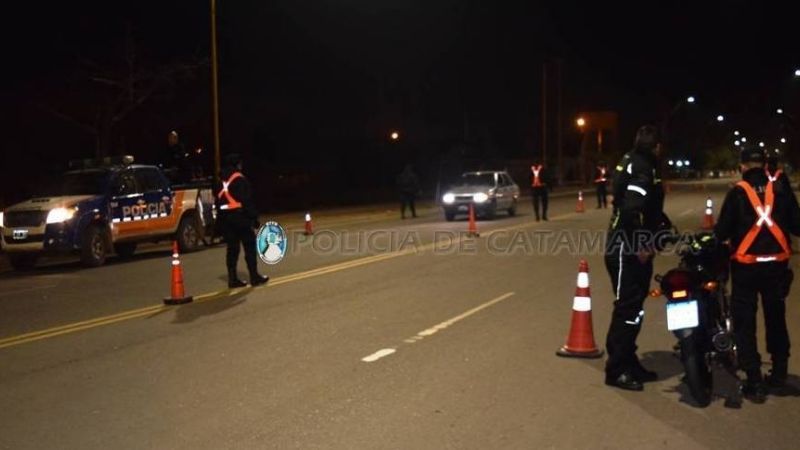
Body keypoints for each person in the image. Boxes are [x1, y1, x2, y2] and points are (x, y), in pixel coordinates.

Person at [714, 146, 800, 403]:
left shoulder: (738, 192)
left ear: (742, 166)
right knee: (776, 318)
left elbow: (721, 232)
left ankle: (754, 380)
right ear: (764, 165)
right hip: (776, 267)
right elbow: (797, 225)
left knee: (745, 322)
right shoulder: (780, 189)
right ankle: (779, 373)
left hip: (746, 269)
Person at [604, 125, 669, 391]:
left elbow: (645, 208)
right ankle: (617, 370)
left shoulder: (633, 160)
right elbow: (632, 208)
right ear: (656, 147)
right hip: (626, 248)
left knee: (634, 309)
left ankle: (629, 362)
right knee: (627, 309)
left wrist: (663, 227)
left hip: (627, 245)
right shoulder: (642, 167)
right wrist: (643, 243)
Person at [216, 153, 269, 288]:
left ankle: (232, 279)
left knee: (232, 250)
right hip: (240, 217)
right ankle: (254, 276)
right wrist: (254, 217)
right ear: (237, 164)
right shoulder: (239, 179)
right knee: (249, 247)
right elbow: (246, 200)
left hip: (226, 219)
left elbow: (217, 201)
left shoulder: (220, 181)